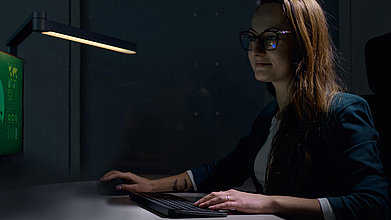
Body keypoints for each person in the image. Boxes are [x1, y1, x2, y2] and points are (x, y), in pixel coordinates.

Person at [100, 0, 389, 219]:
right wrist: (151, 186)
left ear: (304, 43)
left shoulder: (345, 111)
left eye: (271, 37)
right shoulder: (269, 116)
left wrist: (268, 201)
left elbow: (372, 203)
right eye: (252, 37)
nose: (256, 49)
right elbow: (223, 170)